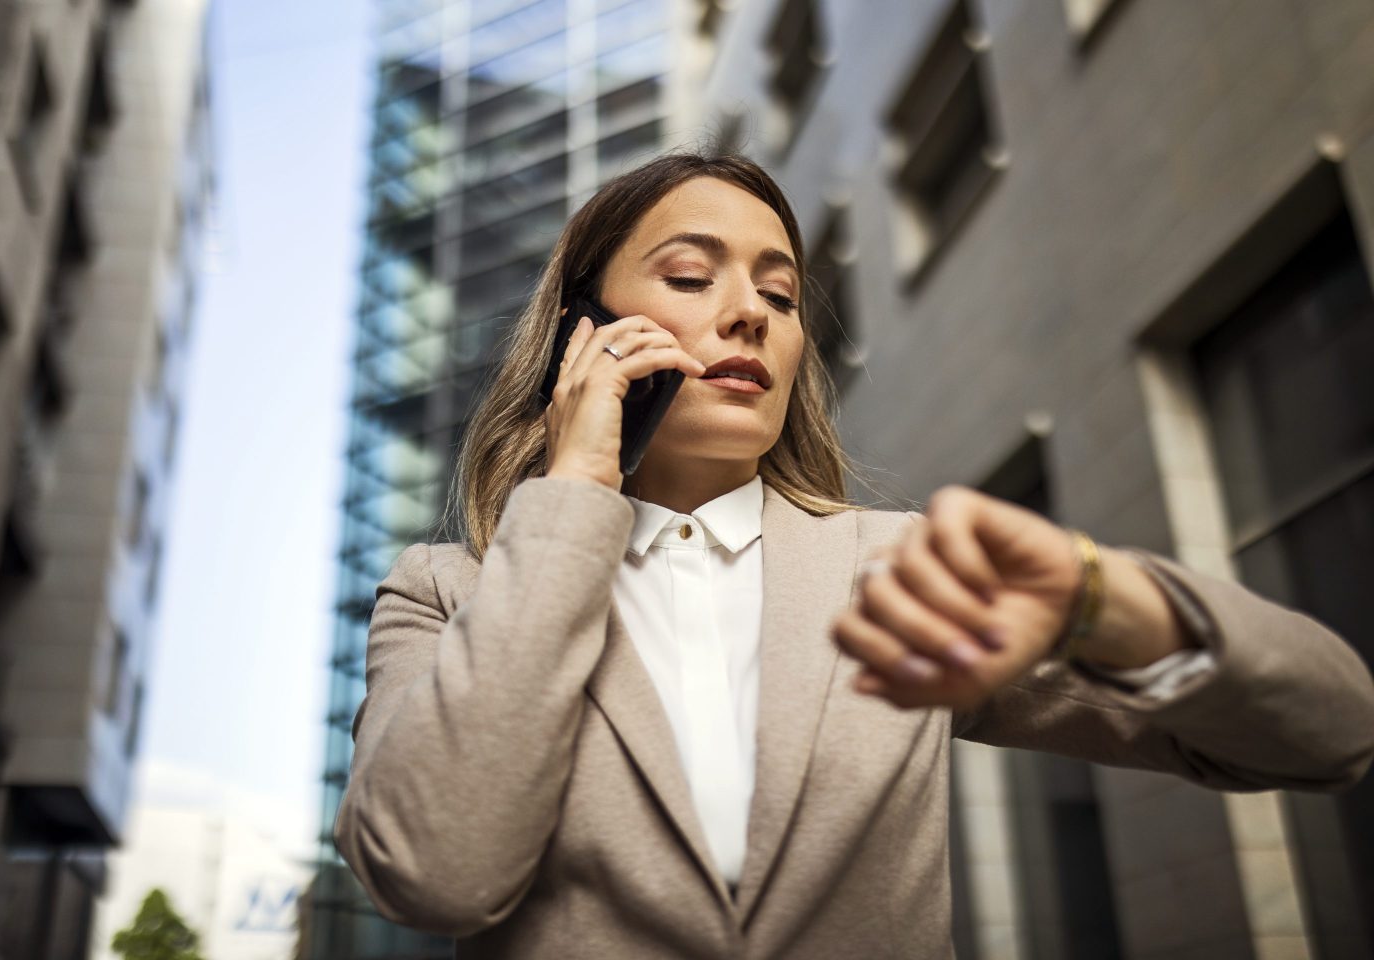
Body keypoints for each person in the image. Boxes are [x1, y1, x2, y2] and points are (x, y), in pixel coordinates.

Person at [333, 151, 1374, 959]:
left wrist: (1106, 599)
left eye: (781, 297)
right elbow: (436, 875)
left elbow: (1331, 732)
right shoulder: (445, 596)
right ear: (583, 336)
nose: (751, 311)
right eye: (691, 276)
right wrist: (571, 497)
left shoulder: (897, 571)